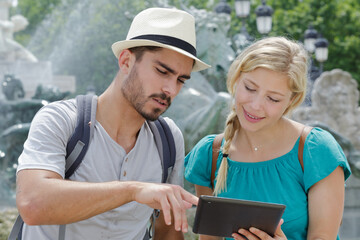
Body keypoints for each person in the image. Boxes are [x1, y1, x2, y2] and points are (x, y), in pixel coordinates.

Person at [15, 7, 210, 240]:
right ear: (126, 60)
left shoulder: (168, 138)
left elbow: (167, 232)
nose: (171, 89)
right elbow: (32, 204)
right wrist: (133, 190)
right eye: (162, 71)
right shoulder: (60, 119)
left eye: (180, 80)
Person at [184, 36, 351, 240]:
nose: (256, 105)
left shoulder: (316, 150)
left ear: (292, 100)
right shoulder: (209, 154)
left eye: (273, 98)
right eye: (250, 88)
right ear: (236, 79)